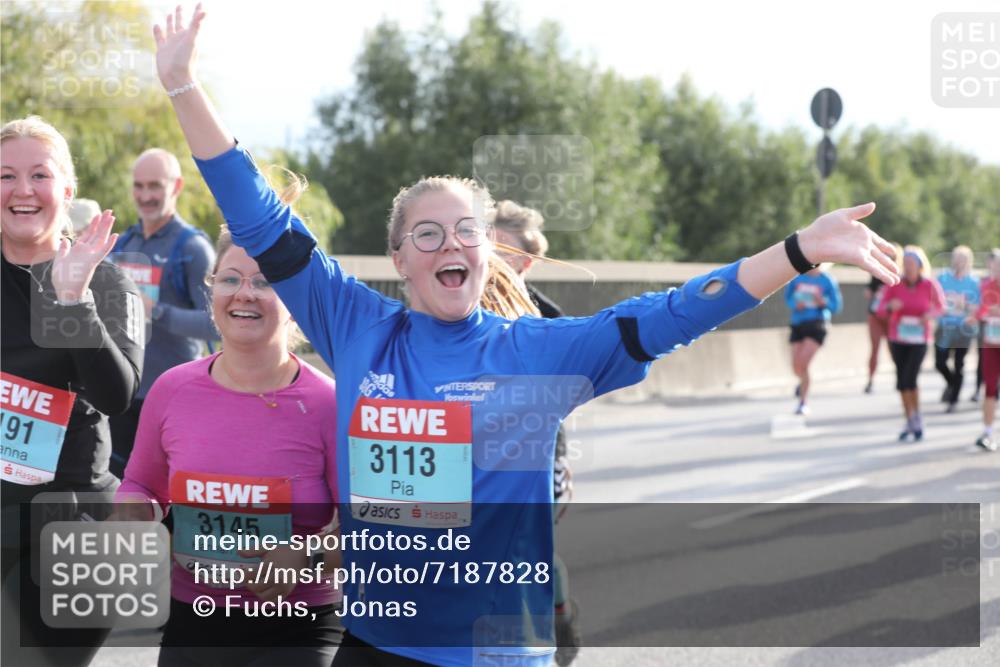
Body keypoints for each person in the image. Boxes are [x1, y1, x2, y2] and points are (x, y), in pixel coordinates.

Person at [152, 5, 899, 664]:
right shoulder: (358, 327)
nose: (451, 244)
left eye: (466, 231)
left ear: (486, 251)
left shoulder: (538, 351)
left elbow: (679, 310)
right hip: (377, 645)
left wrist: (798, 249)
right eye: (429, 233)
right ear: (402, 258)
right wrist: (185, 87)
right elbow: (259, 216)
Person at [116, 227, 342, 666]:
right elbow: (142, 484)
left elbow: (370, 527)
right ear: (212, 289)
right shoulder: (171, 389)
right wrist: (131, 513)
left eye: (265, 281)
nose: (245, 293)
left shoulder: (328, 403)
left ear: (296, 301)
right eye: (231, 278)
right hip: (193, 622)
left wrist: (306, 555)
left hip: (299, 627)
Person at [1, 116, 144, 666]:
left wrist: (71, 300)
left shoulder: (105, 282)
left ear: (67, 188)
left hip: (72, 524)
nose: (21, 190)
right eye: (6, 175)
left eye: (39, 174)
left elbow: (116, 395)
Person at [490, 200, 579, 666]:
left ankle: (556, 619)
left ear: (526, 261)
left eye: (501, 250)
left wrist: (560, 459)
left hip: (537, 460)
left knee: (526, 551)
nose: (487, 258)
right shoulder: (456, 308)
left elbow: (561, 405)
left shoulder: (549, 319)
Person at [109, 147, 218, 479]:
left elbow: (216, 325)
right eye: (139, 186)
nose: (145, 195)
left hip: (176, 397)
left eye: (155, 185)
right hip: (122, 393)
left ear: (177, 186)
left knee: (171, 499)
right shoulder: (121, 244)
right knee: (122, 496)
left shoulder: (192, 250)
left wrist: (154, 310)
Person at [877, 246, 945, 442]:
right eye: (905, 264)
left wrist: (929, 315)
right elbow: (880, 309)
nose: (907, 267)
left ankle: (916, 416)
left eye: (911, 264)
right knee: (901, 381)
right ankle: (910, 419)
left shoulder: (929, 285)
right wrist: (890, 306)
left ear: (920, 265)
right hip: (898, 338)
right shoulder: (894, 284)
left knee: (910, 378)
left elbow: (940, 308)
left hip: (919, 339)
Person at [783, 265, 842, 415]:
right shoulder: (797, 277)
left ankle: (803, 402)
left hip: (817, 324)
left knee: (803, 363)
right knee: (796, 366)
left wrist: (823, 303)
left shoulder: (827, 280)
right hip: (798, 323)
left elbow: (836, 307)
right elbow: (788, 298)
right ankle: (802, 382)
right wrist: (796, 304)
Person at [934, 245, 980, 413]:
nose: (959, 262)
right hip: (945, 326)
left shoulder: (974, 283)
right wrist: (944, 303)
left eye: (963, 259)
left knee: (959, 364)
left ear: (969, 262)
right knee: (939, 363)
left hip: (964, 328)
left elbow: (979, 308)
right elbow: (933, 301)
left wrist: (965, 304)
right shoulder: (942, 279)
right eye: (956, 258)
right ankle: (952, 383)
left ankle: (953, 399)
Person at [863, 243, 902, 394]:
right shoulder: (876, 272)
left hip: (892, 318)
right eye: (885, 255)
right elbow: (870, 288)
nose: (887, 258)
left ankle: (900, 377)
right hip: (875, 315)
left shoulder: (900, 276)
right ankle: (870, 380)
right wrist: (869, 292)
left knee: (894, 350)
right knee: (874, 349)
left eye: (890, 255)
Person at [974, 249, 1000, 452]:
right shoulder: (985, 287)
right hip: (991, 343)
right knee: (989, 387)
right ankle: (988, 432)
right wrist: (983, 313)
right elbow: (979, 311)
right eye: (995, 266)